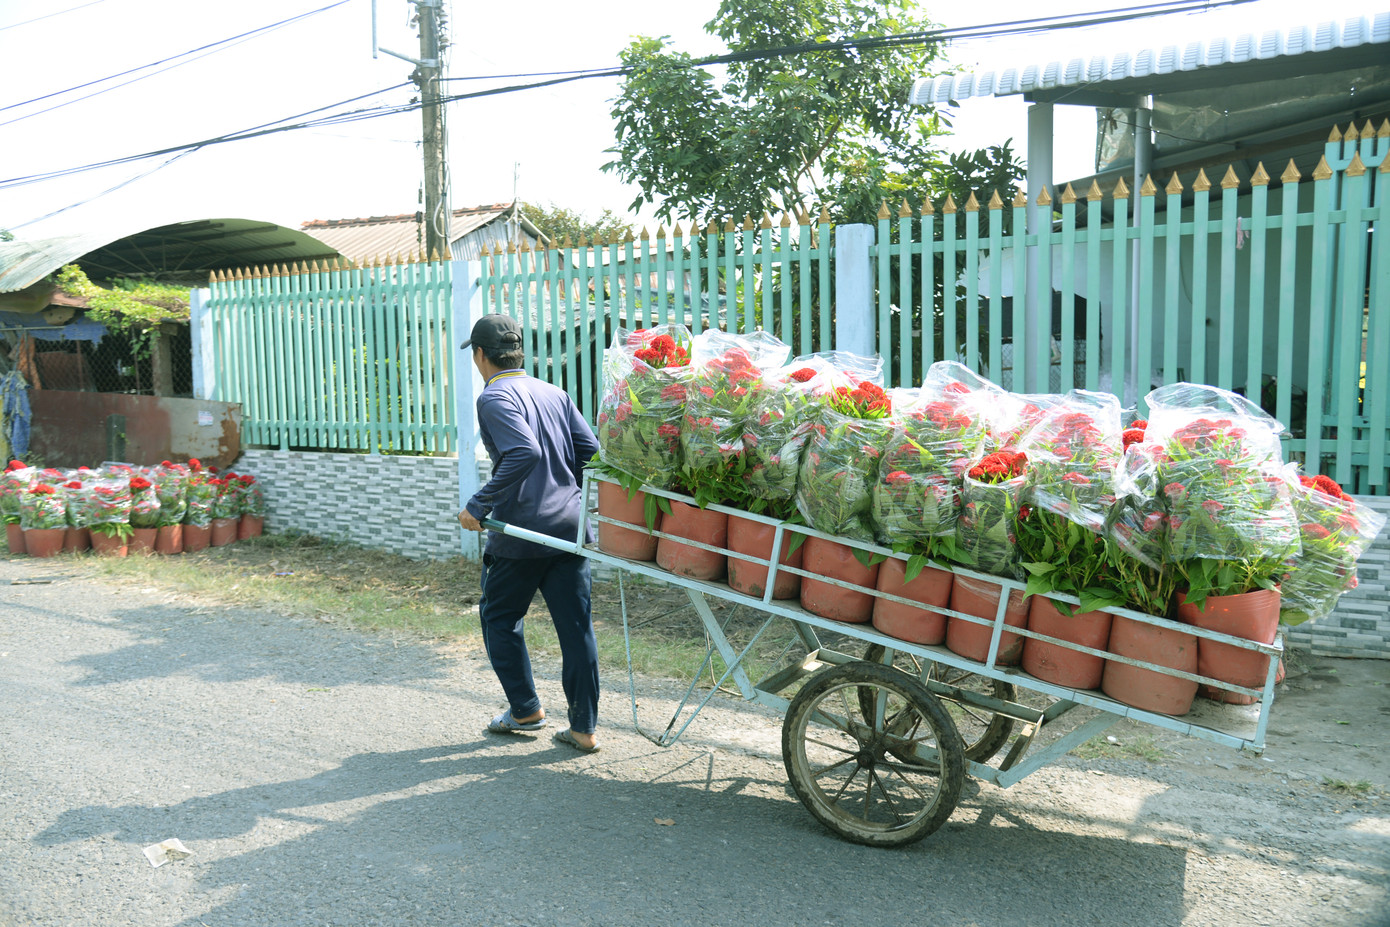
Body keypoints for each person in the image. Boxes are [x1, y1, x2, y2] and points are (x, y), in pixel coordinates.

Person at [457, 313, 603, 754]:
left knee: (499, 617)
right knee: (576, 629)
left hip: (520, 533)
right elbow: (591, 453)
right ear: (518, 352)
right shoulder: (553, 393)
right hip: (568, 530)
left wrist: (478, 504)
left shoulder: (495, 397)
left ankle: (524, 709)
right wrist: (565, 495)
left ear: (480, 355)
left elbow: (523, 451)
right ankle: (583, 729)